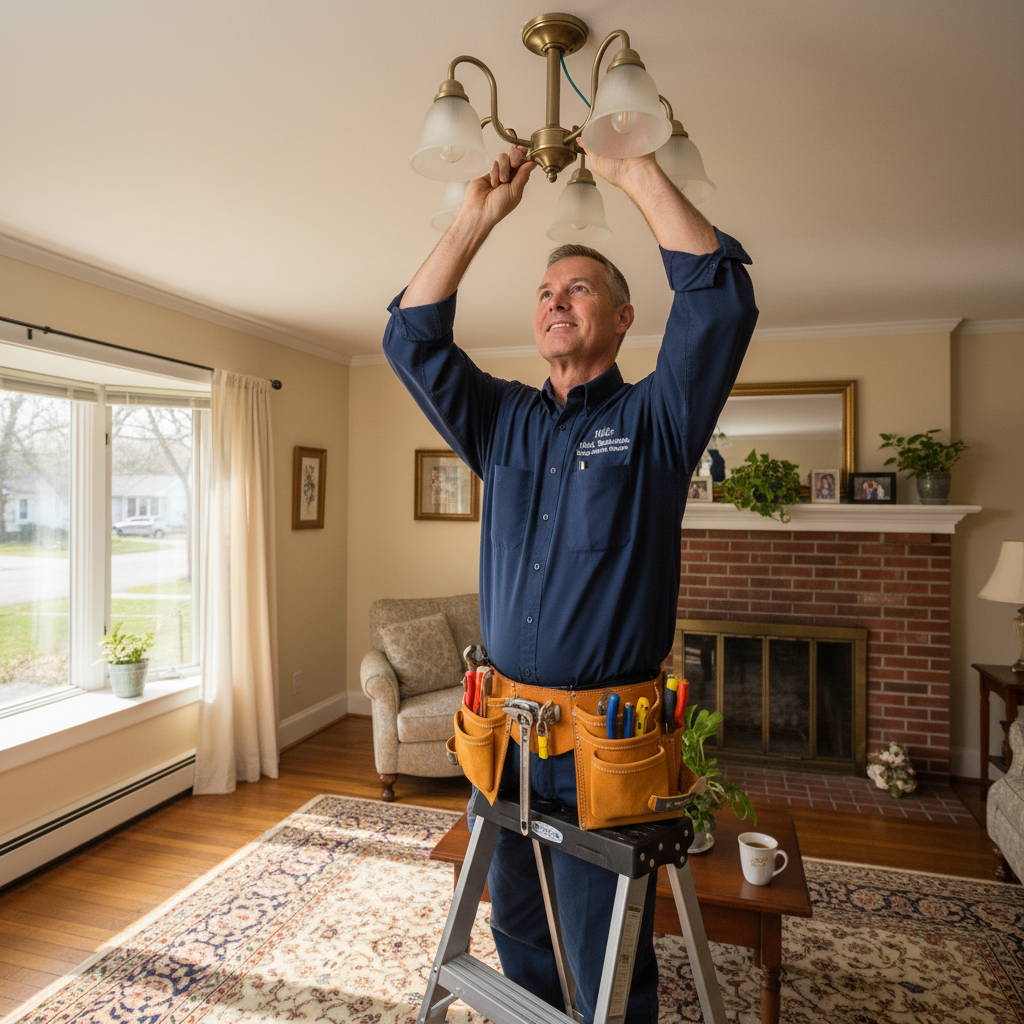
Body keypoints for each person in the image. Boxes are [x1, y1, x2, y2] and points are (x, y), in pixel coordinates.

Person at [382, 142, 757, 1024]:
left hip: (605, 745)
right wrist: (477, 214)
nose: (556, 301)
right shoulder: (502, 419)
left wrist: (634, 174)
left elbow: (722, 300)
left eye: (578, 288)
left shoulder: (657, 419)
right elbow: (409, 337)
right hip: (504, 735)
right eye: (547, 292)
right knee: (516, 934)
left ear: (624, 318)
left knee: (606, 959)